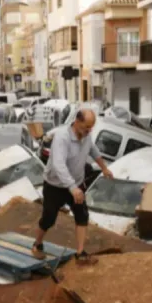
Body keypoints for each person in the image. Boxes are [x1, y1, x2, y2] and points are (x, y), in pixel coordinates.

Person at [32, 109, 113, 262]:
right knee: (48, 218)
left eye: (91, 127)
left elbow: (94, 151)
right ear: (77, 122)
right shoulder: (62, 137)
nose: (89, 130)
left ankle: (80, 253)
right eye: (86, 126)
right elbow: (58, 165)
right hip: (55, 185)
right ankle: (37, 244)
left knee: (82, 215)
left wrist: (104, 168)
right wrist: (72, 187)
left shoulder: (86, 136)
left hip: (76, 184)